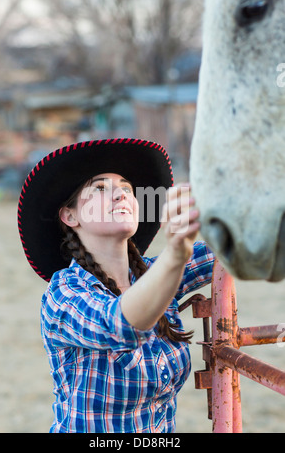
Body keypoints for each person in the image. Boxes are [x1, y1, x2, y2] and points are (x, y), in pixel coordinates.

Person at [17, 138, 215, 433]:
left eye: (126, 188)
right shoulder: (64, 294)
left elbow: (232, 247)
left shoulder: (152, 275)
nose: (120, 195)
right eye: (99, 188)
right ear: (70, 216)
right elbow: (121, 325)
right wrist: (175, 254)